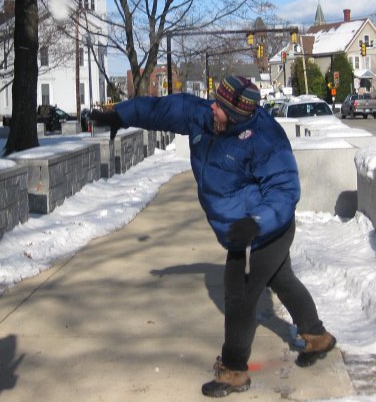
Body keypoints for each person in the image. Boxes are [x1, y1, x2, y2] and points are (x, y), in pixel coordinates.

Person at [89, 76, 336, 398]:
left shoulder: (265, 139)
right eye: (214, 102)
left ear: (238, 115)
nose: (213, 109)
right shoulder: (203, 115)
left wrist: (255, 223)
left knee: (240, 298)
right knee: (282, 278)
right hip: (239, 229)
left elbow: (285, 190)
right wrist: (120, 114)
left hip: (264, 228)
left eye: (221, 107)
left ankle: (234, 371)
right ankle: (317, 336)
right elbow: (162, 109)